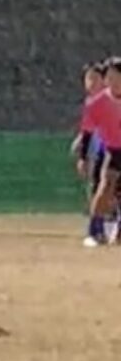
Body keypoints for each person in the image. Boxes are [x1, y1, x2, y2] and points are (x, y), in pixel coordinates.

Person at [78, 56, 121, 248]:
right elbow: (87, 131)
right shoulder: (97, 103)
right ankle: (95, 230)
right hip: (114, 149)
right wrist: (83, 157)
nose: (112, 81)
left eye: (116, 76)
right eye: (109, 77)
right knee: (105, 186)